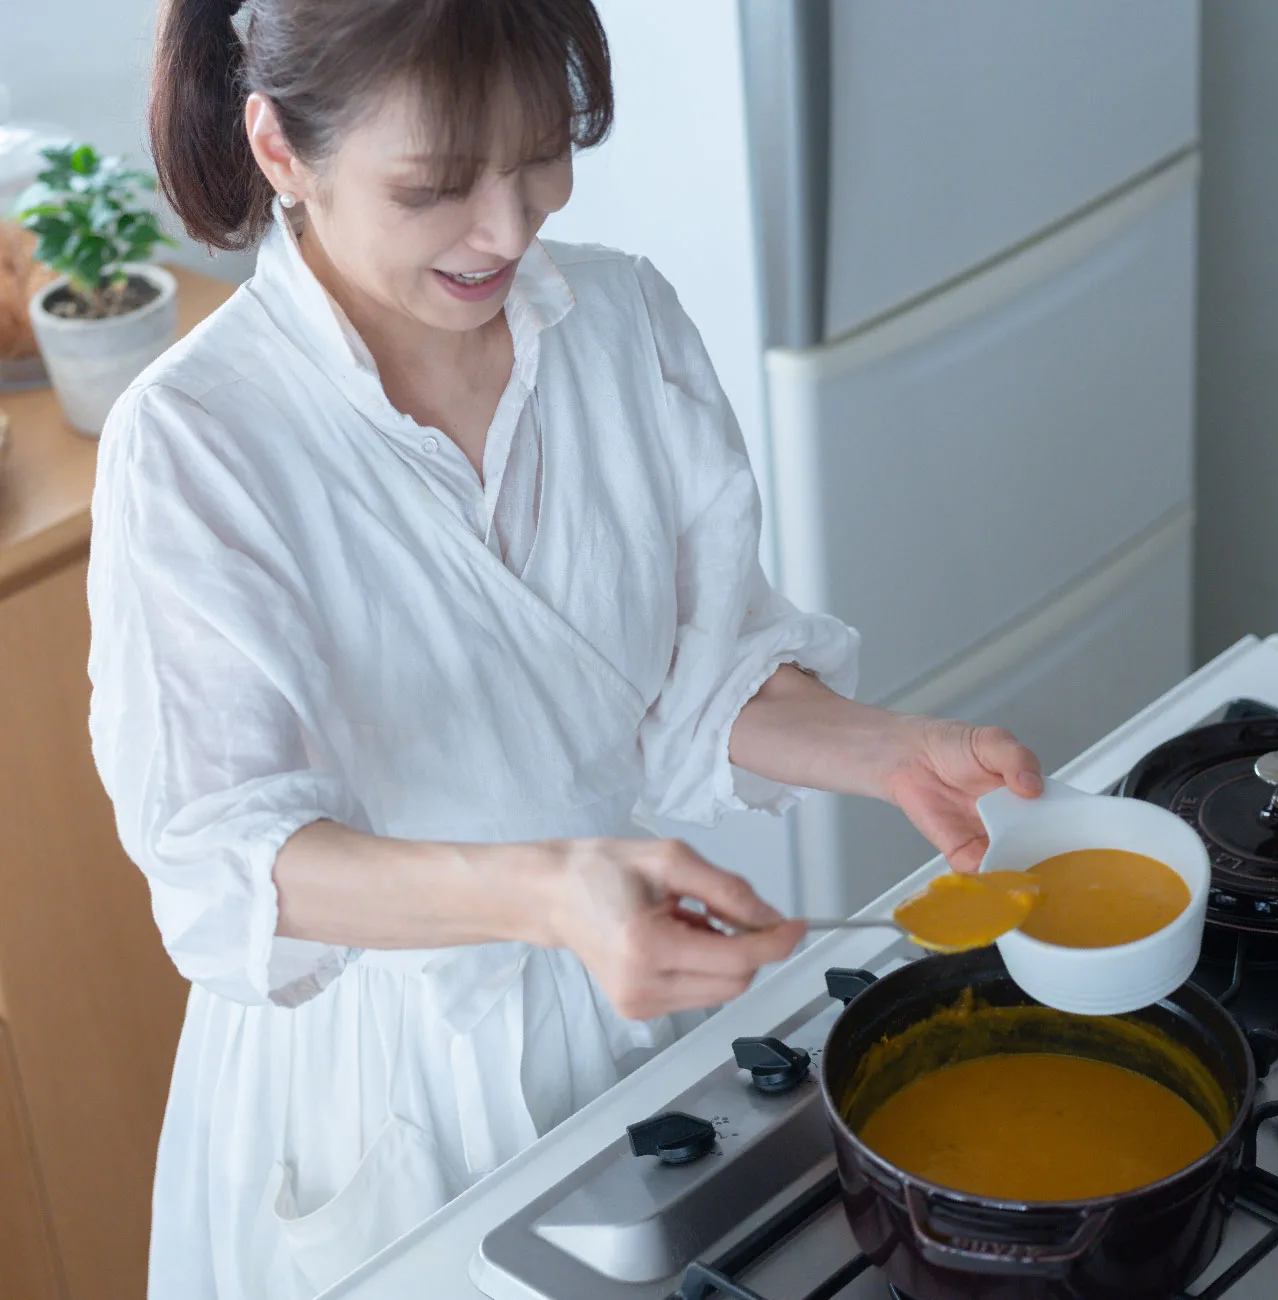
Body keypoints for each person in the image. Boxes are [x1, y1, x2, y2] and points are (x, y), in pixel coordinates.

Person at [87, 0, 1044, 1295]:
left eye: (541, 153)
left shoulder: (620, 325)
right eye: (435, 186)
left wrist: (893, 751)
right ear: (279, 151)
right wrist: (546, 889)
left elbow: (691, 674)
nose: (506, 226)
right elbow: (228, 861)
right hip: (383, 1079)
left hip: (632, 1013)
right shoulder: (197, 443)